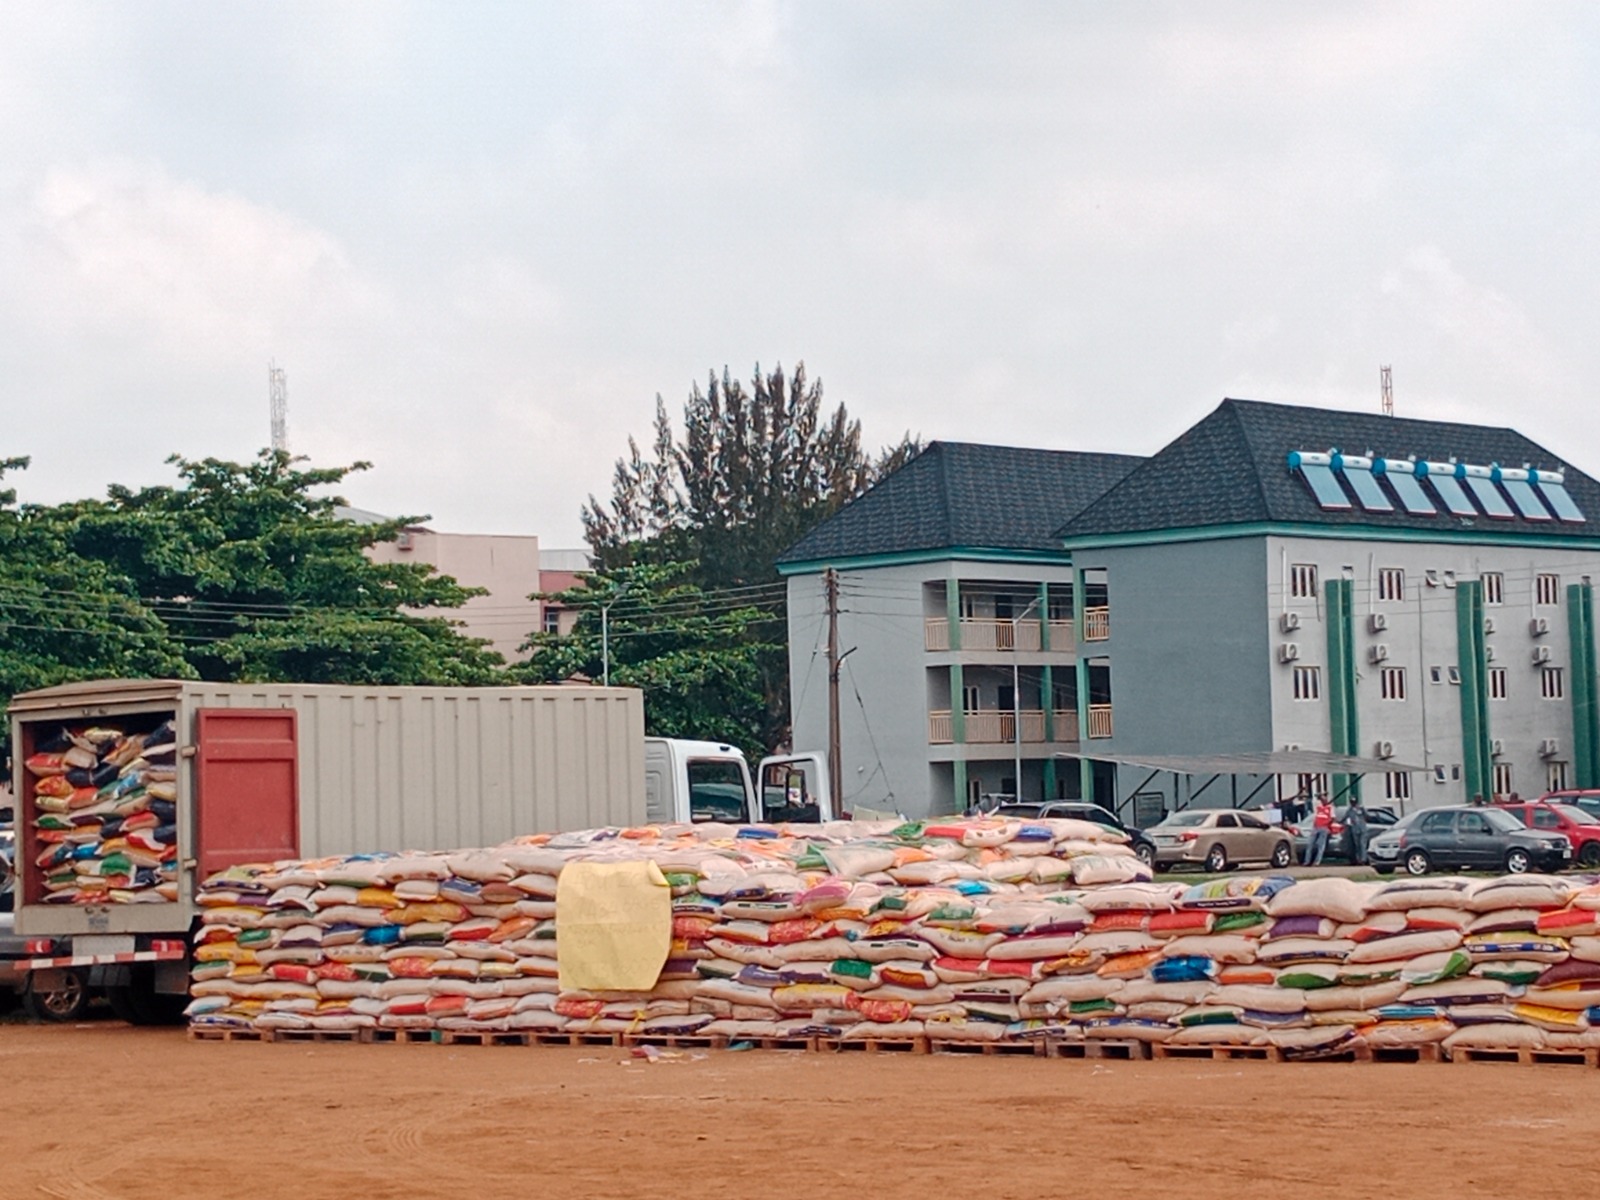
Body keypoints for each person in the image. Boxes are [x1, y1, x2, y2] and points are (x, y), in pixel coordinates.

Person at [1303, 794, 1334, 866]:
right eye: (1321, 800)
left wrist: (1327, 825)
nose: (1323, 801)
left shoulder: (1330, 808)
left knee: (1320, 845)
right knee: (1310, 844)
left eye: (1324, 800)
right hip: (1316, 827)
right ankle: (1307, 861)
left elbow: (1332, 818)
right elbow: (1315, 814)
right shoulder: (1318, 807)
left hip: (1324, 828)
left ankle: (1317, 862)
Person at [1344, 796, 1369, 866]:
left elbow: (1367, 816)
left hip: (1363, 829)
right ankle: (1358, 860)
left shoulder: (1361, 808)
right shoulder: (1349, 810)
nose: (1353, 803)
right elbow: (1345, 818)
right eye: (1352, 802)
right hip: (1354, 829)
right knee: (1357, 845)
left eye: (1354, 802)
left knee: (1362, 844)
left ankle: (1363, 859)